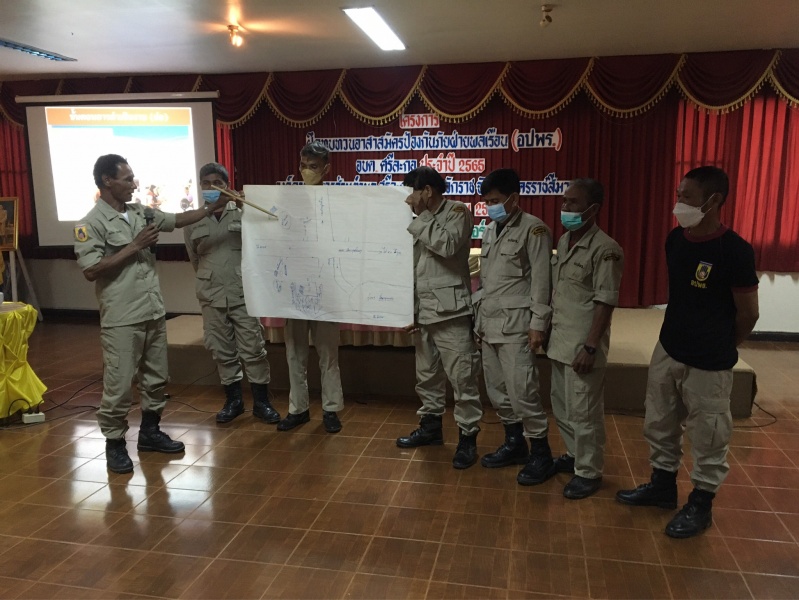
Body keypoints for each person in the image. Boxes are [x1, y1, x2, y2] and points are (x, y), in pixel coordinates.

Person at [616, 166, 759, 538]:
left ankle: (701, 504)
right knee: (659, 422)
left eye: (687, 197)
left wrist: (722, 344)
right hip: (669, 348)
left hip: (709, 362)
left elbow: (748, 313)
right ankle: (662, 486)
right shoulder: (676, 239)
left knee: (709, 435)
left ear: (713, 201)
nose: (679, 203)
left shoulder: (735, 250)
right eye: (678, 195)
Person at [74, 154, 229, 474]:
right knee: (119, 385)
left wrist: (212, 207)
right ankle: (115, 444)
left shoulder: (140, 212)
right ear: (107, 181)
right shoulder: (90, 224)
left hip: (152, 311)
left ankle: (150, 432)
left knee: (156, 378)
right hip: (122, 317)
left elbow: (178, 219)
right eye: (127, 178)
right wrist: (134, 246)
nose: (134, 184)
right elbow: (91, 270)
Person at [396, 166, 483, 469]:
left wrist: (422, 216)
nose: (409, 198)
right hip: (424, 313)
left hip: (451, 312)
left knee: (462, 379)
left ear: (427, 191)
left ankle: (468, 438)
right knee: (427, 377)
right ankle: (431, 429)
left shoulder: (457, 212)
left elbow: (447, 246)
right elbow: (415, 269)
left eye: (412, 191)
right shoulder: (420, 220)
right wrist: (410, 309)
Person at [473, 169, 556, 485]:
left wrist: (538, 325)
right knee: (497, 391)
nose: (490, 206)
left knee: (523, 392)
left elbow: (542, 281)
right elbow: (487, 283)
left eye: (495, 200)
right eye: (486, 201)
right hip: (489, 324)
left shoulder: (534, 230)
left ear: (514, 198)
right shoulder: (489, 231)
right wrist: (479, 322)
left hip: (517, 327)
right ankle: (514, 443)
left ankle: (541, 454)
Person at [183, 162, 280, 425]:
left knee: (254, 349)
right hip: (211, 295)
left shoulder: (243, 211)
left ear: (227, 185)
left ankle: (262, 402)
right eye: (206, 183)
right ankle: (233, 402)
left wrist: (244, 206)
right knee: (222, 351)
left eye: (218, 183)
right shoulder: (192, 220)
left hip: (243, 293)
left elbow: (269, 232)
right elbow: (195, 259)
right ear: (200, 186)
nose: (212, 187)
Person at [546, 178, 624, 499]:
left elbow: (605, 302)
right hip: (560, 342)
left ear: (593, 209)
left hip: (583, 347)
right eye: (565, 201)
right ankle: (575, 454)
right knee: (563, 408)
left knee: (585, 412)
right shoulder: (565, 241)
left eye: (573, 202)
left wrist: (590, 347)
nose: (565, 207)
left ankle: (589, 472)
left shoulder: (606, 249)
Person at [277, 141, 345, 434]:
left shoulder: (336, 200)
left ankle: (331, 410)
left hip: (326, 285)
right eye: (304, 165)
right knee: (295, 353)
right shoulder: (287, 198)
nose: (307, 171)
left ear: (326, 169)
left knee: (328, 354)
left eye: (314, 167)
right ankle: (298, 409)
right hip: (295, 284)